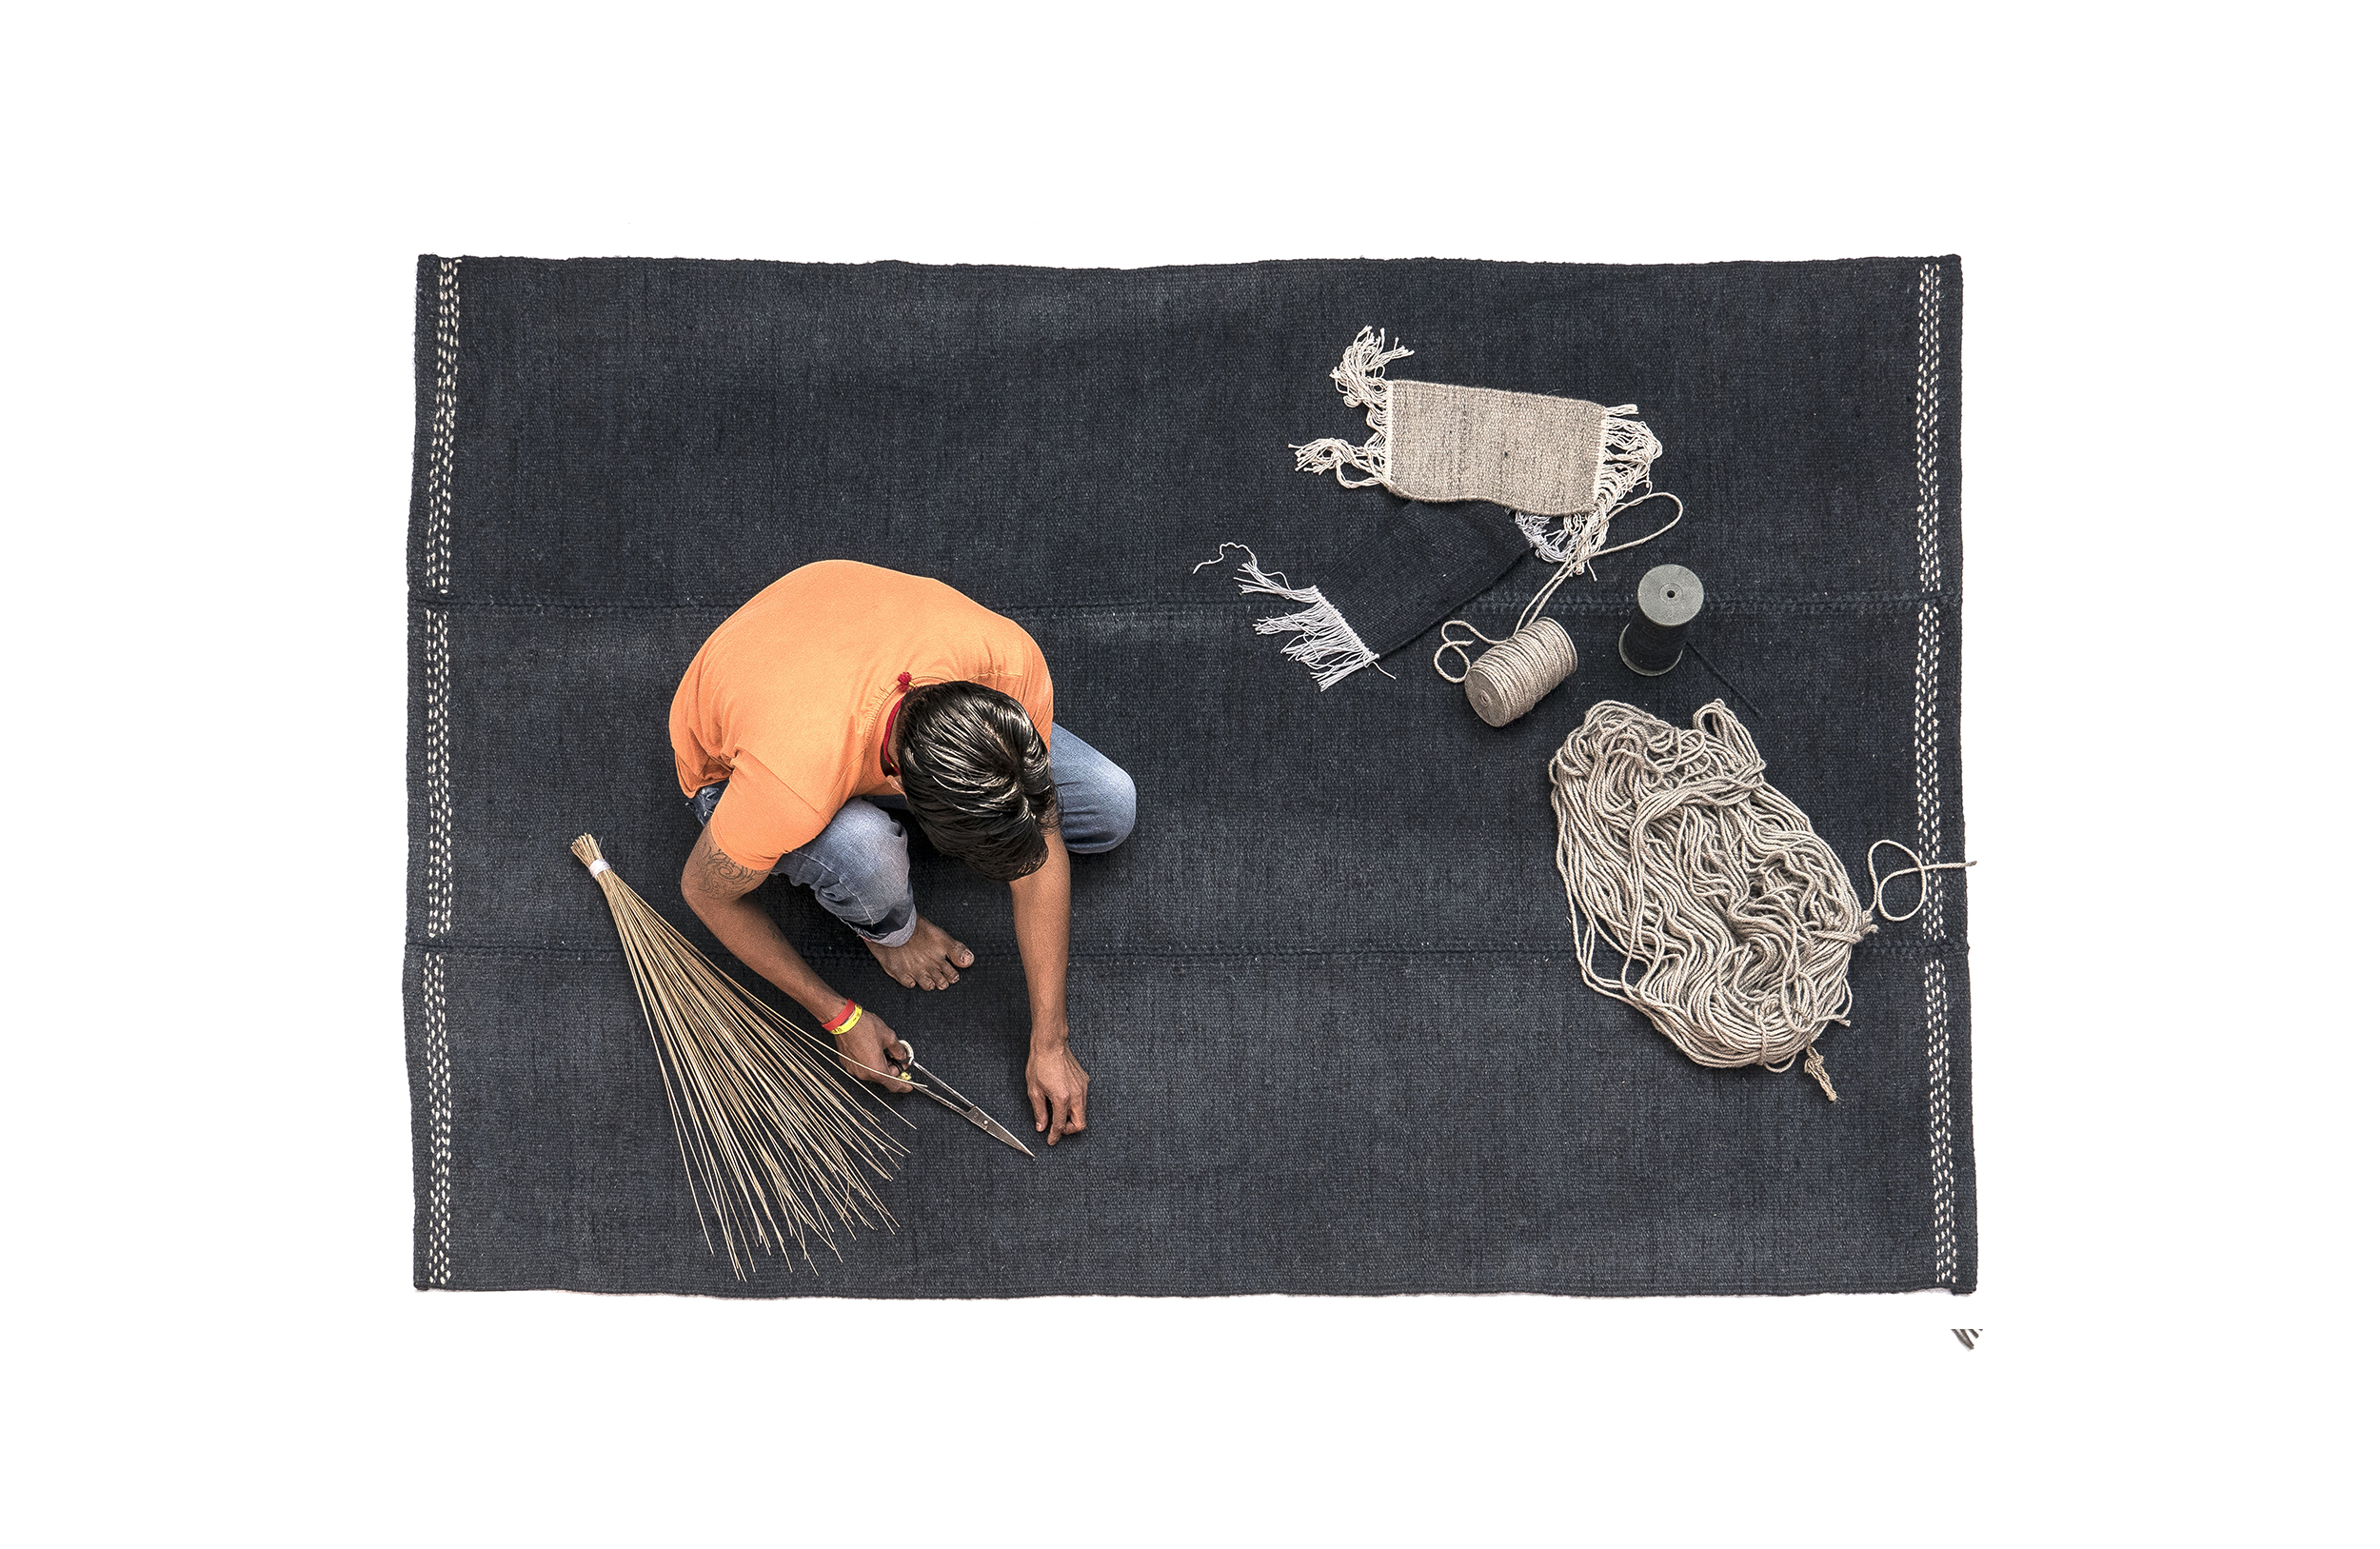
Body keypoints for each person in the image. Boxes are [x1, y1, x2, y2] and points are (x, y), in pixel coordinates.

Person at [668, 560, 1135, 1146]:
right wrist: (839, 1016)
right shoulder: (789, 784)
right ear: (903, 794)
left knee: (1111, 803)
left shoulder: (1009, 662)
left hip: (835, 658)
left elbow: (1039, 846)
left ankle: (923, 824)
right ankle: (884, 925)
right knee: (868, 855)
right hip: (745, 752)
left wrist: (1051, 1041)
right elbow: (704, 892)